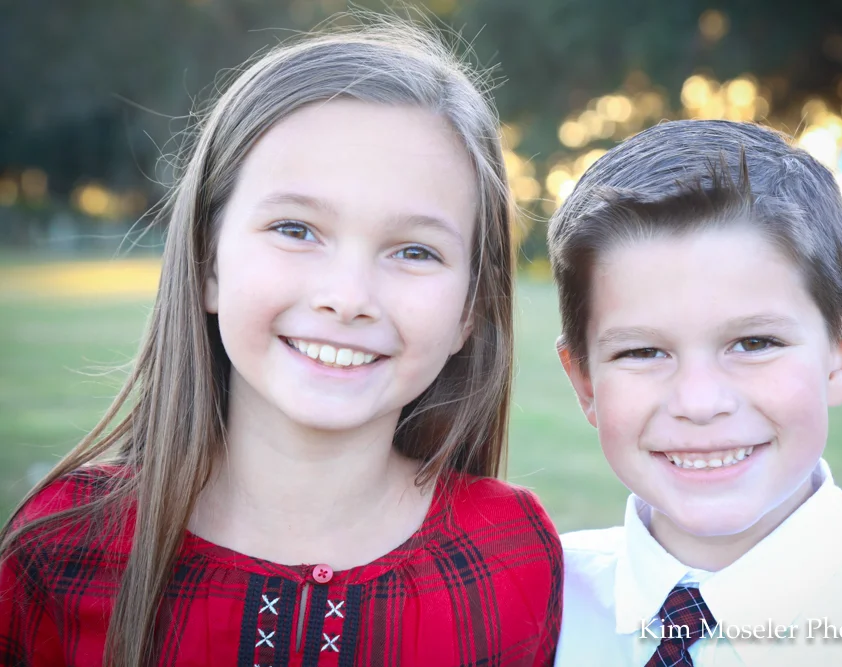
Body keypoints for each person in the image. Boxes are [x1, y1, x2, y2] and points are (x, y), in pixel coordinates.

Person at [0, 18, 561, 667]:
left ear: (470, 308)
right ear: (208, 262)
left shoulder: (513, 555)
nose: (347, 297)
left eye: (414, 250)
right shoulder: (62, 549)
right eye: (296, 229)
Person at [546, 119, 842, 666]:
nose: (699, 403)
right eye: (643, 352)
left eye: (754, 343)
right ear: (585, 381)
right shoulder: (527, 609)